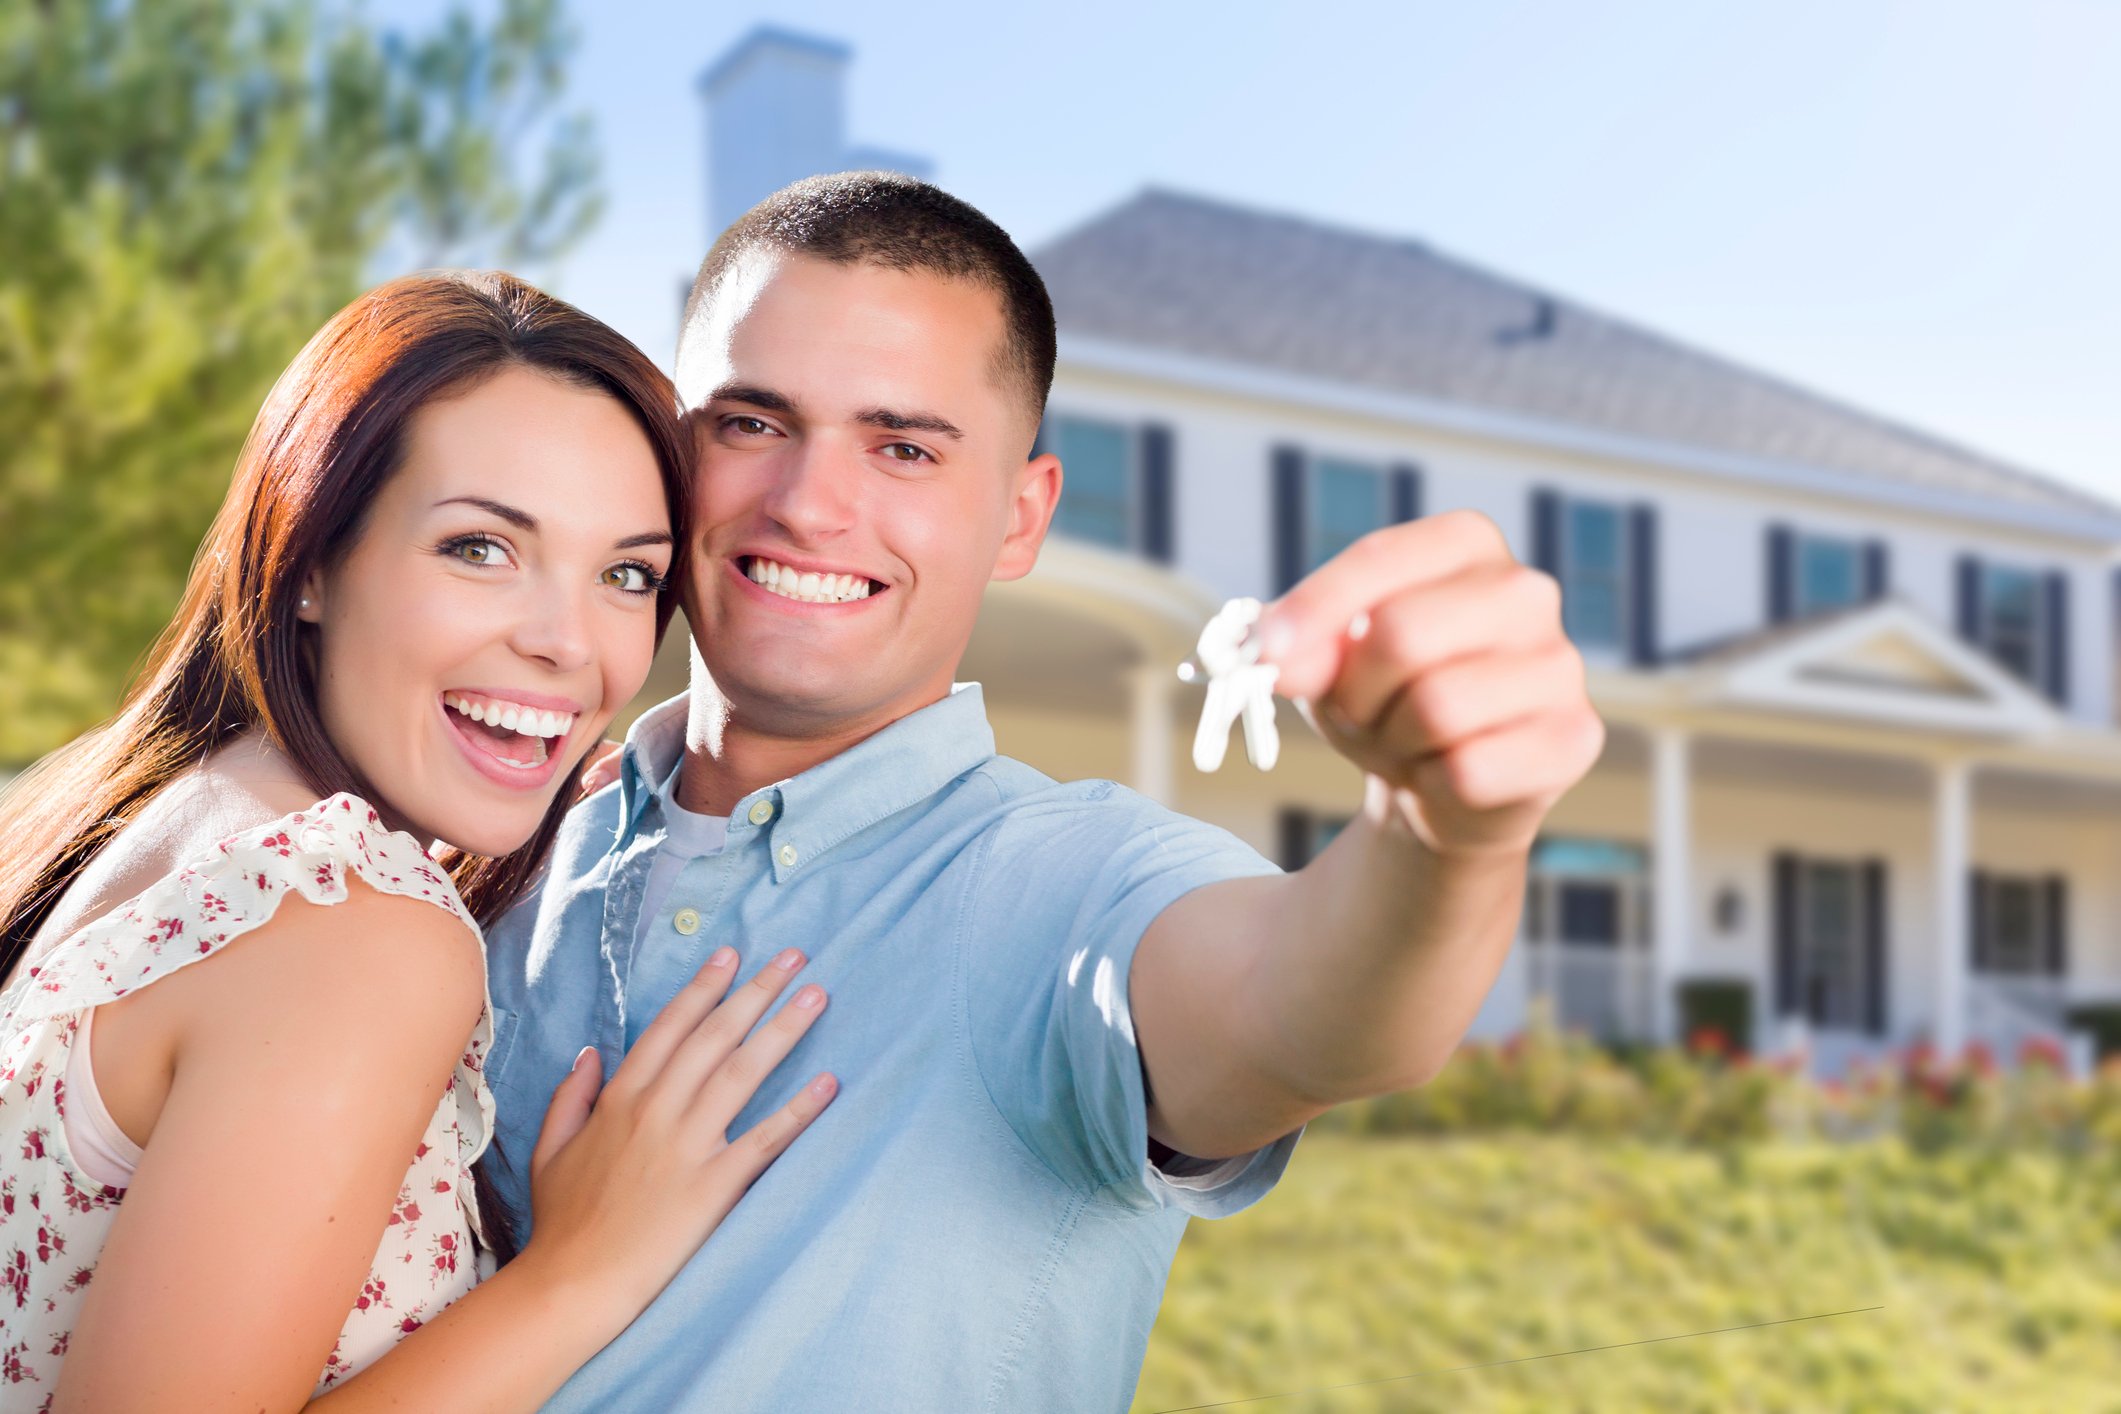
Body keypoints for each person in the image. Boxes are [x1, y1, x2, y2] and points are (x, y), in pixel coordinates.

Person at [479, 173, 1603, 1410]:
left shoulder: (1063, 883)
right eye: (751, 423)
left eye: (903, 446)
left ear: (1021, 518)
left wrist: (1446, 840)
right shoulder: (509, 846)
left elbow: (1301, 1011)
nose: (807, 503)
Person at [0, 271, 838, 1412]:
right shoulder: (352, 930)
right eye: (480, 548)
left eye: (625, 575)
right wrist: (581, 1272)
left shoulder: (154, 813)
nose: (567, 645)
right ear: (309, 562)